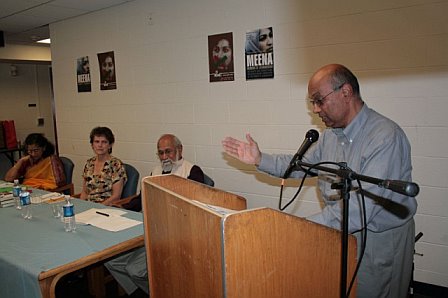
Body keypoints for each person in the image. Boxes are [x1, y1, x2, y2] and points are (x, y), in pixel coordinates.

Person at [222, 64, 417, 298]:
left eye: (319, 100)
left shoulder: (385, 137)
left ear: (345, 92)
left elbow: (359, 209)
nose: (315, 109)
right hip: (342, 231)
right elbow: (301, 167)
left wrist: (301, 230)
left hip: (379, 242)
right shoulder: (330, 137)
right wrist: (260, 159)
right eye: (312, 103)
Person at [105, 134, 205, 296]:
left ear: (179, 150)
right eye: (160, 153)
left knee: (134, 270)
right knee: (111, 262)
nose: (164, 157)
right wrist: (121, 206)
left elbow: (196, 206)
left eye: (168, 152)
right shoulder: (156, 171)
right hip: (150, 229)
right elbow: (141, 198)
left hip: (175, 234)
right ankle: (141, 292)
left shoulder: (192, 171)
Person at [79, 126, 127, 206]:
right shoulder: (89, 163)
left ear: (110, 145)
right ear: (92, 145)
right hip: (88, 207)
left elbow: (116, 196)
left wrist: (98, 207)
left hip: (106, 208)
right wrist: (80, 206)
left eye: (104, 142)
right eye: (97, 142)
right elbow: (84, 192)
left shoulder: (116, 165)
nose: (100, 145)